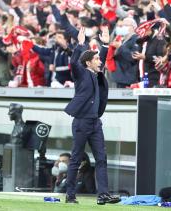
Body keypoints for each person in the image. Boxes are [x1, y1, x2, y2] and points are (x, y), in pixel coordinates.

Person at [64, 27, 120, 205]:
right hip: (81, 122)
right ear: (88, 63)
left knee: (102, 158)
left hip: (95, 123)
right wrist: (80, 45)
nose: (99, 61)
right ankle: (70, 195)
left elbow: (101, 59)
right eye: (95, 59)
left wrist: (104, 44)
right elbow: (74, 63)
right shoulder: (81, 74)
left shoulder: (96, 75)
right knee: (76, 159)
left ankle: (103, 195)